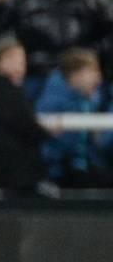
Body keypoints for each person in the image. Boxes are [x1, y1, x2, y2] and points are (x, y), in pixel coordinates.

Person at [0, 42, 54, 196]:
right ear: (0, 62)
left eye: (22, 62)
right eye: (15, 61)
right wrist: (49, 134)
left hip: (5, 171)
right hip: (19, 174)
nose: (20, 67)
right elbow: (25, 125)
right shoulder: (6, 93)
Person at [36, 47, 113, 188]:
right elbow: (49, 148)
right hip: (60, 173)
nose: (99, 78)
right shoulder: (52, 103)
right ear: (75, 75)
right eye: (92, 71)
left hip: (84, 167)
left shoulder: (88, 100)